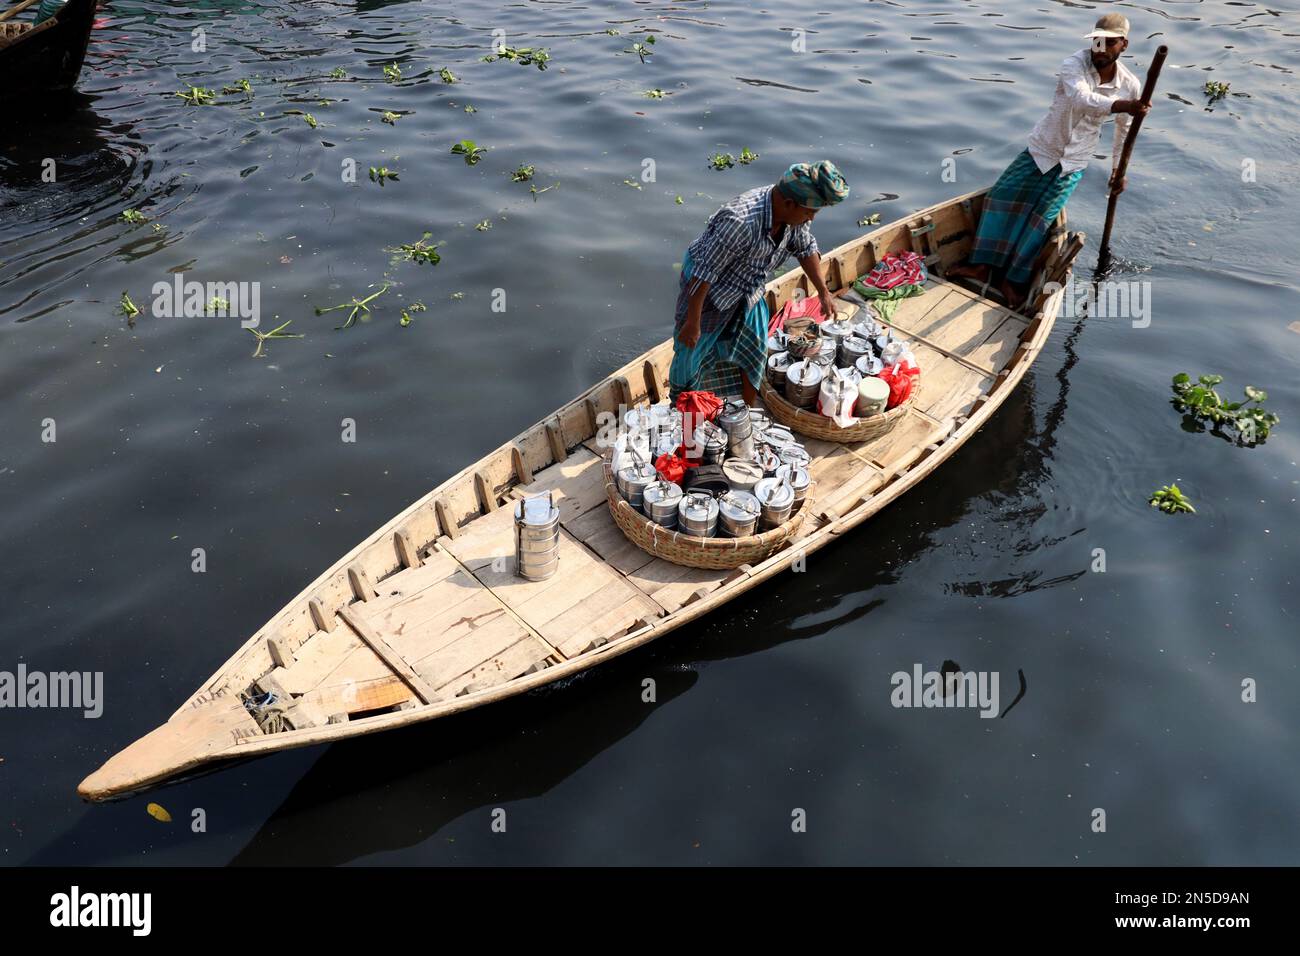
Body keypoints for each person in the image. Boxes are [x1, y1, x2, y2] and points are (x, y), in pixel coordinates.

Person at [948, 13, 1149, 307]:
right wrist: (1124, 105)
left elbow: (1124, 132)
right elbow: (1082, 99)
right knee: (999, 199)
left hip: (1074, 161)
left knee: (1039, 221)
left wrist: (1119, 172)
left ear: (1124, 45)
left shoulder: (1130, 84)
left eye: (1109, 43)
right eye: (1097, 41)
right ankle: (981, 264)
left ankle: (1011, 280)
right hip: (1042, 149)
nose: (1101, 49)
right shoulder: (1074, 64)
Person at [671, 160, 850, 405]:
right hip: (709, 289)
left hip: (748, 286)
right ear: (789, 204)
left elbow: (805, 247)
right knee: (691, 353)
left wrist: (823, 292)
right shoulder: (740, 222)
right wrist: (693, 322)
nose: (811, 218)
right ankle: (684, 409)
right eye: (809, 212)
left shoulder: (794, 216)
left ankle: (747, 410)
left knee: (754, 350)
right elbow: (703, 275)